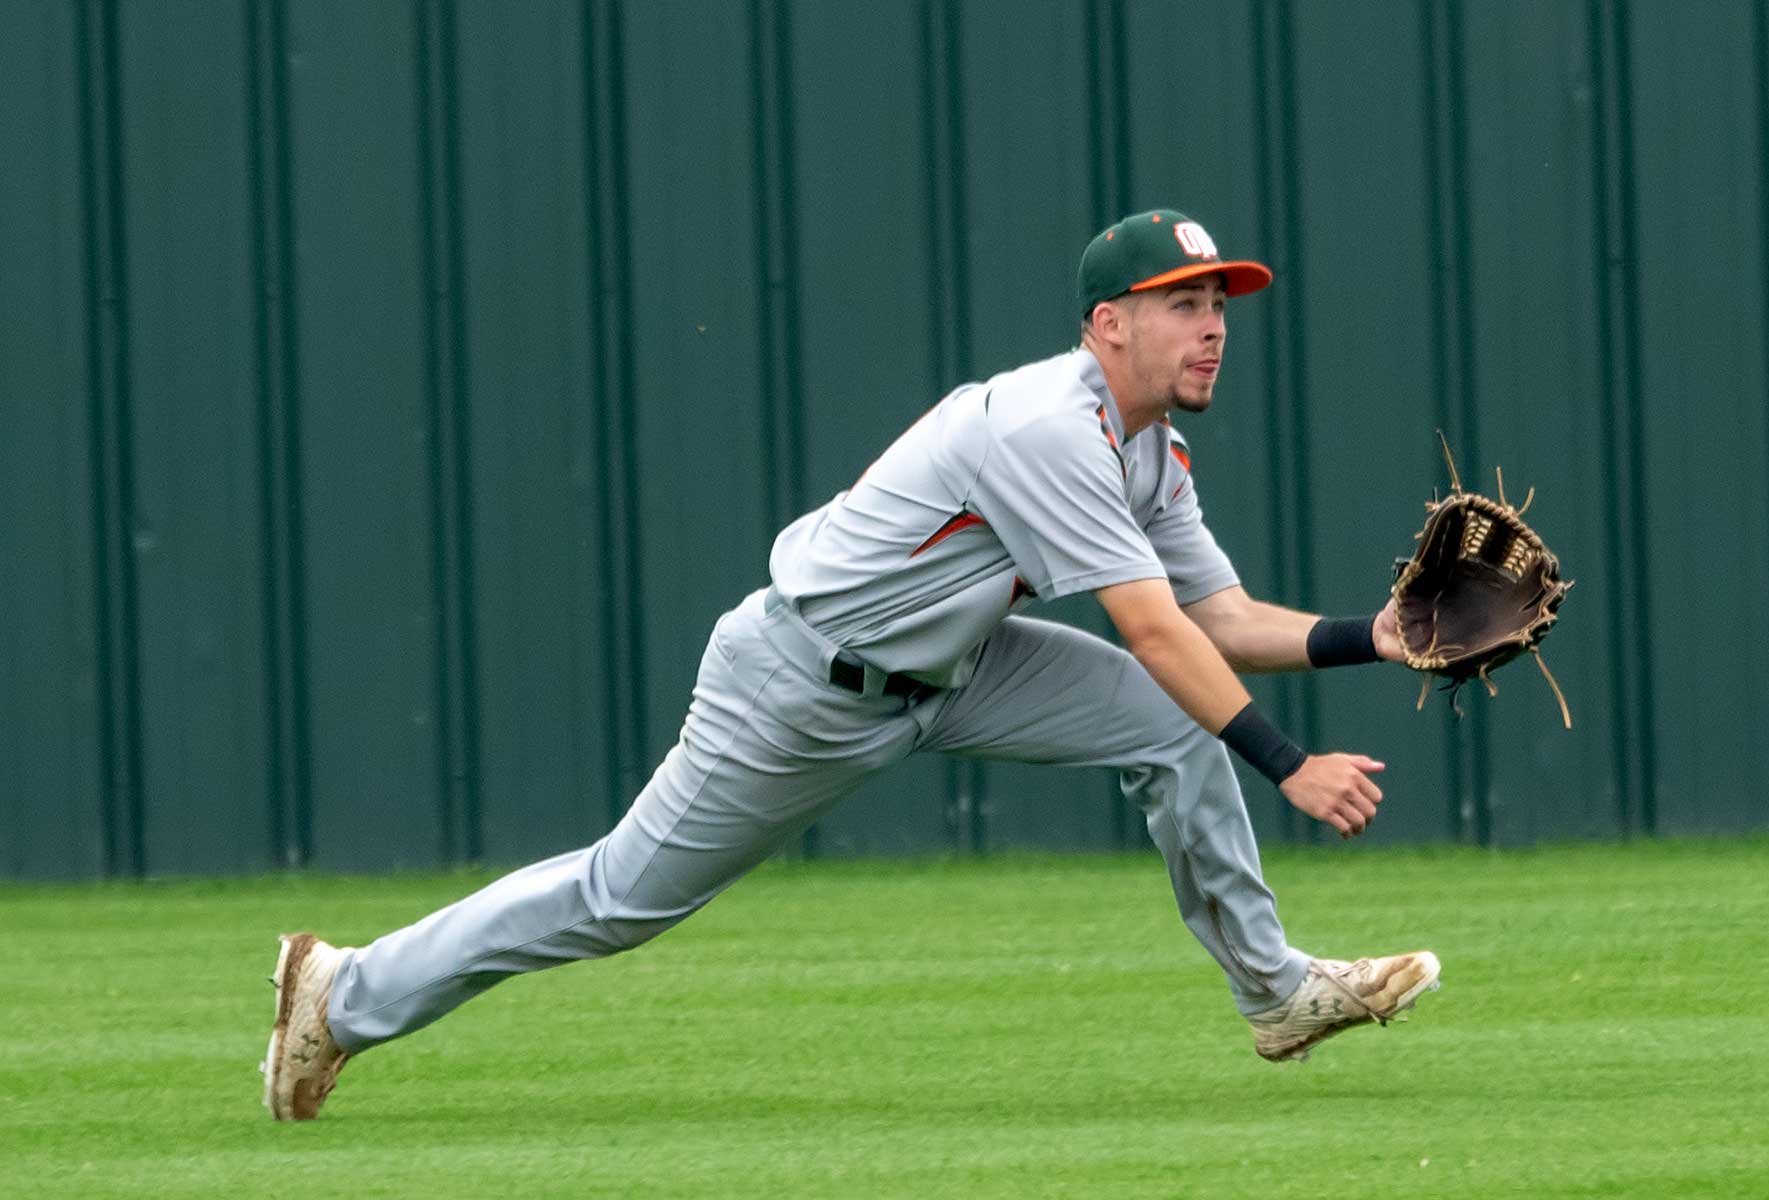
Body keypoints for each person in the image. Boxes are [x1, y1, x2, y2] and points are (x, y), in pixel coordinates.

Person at [260, 209, 1439, 1121]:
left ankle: (1275, 995)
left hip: (957, 667)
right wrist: (1289, 764)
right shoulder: (1046, 425)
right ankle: (341, 995)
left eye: (1219, 302)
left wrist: (1372, 636)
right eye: (1182, 302)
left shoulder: (1150, 454)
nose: (1214, 324)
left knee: (1175, 724)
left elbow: (1218, 622)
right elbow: (1156, 631)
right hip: (804, 683)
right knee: (617, 899)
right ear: (1107, 325)